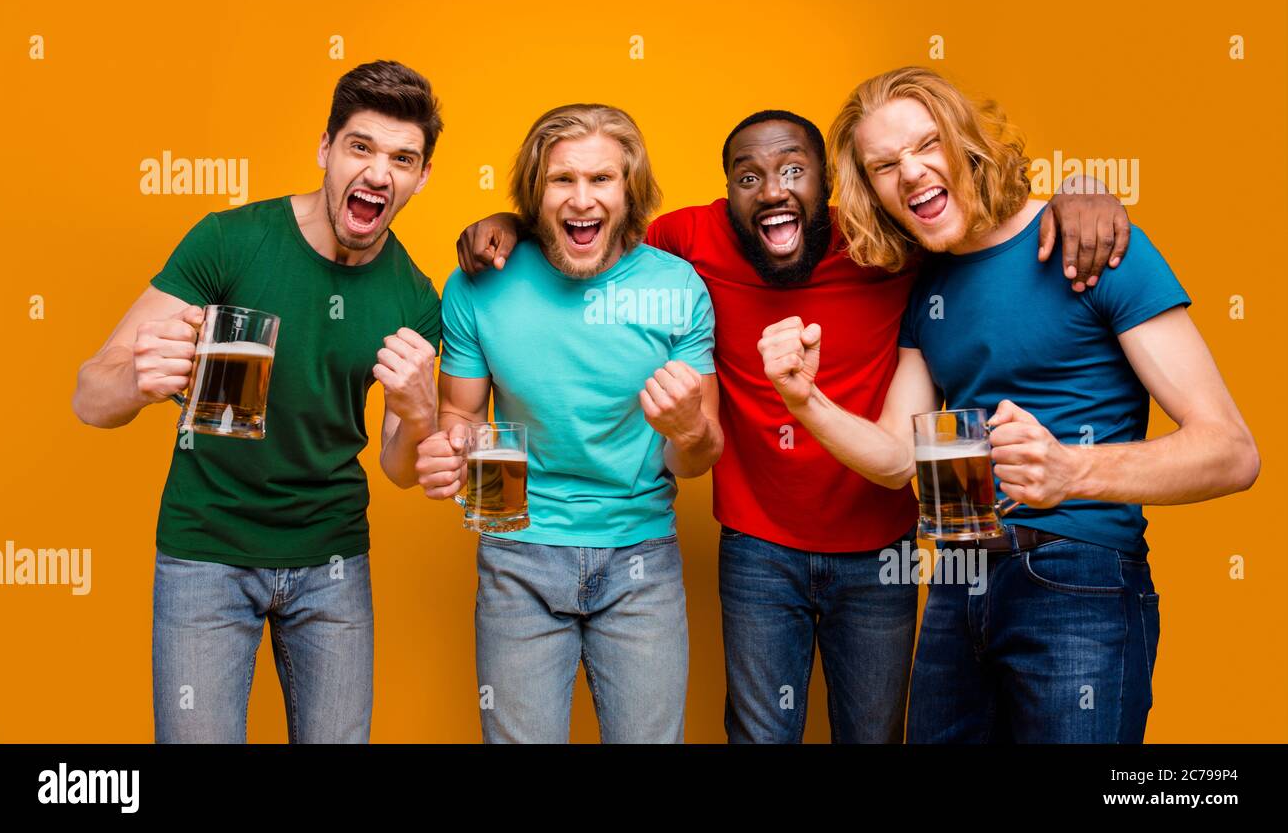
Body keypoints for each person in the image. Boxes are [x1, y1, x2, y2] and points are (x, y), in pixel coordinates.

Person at [456, 105, 1126, 742]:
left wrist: (1079, 189)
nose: (772, 189)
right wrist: (508, 225)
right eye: (748, 177)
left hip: (879, 547)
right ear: (728, 195)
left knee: (874, 734)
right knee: (758, 734)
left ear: (830, 184)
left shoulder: (885, 243)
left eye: (794, 170)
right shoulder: (689, 242)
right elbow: (588, 232)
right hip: (756, 549)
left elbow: (974, 225)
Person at [759, 65, 1259, 742]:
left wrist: (1073, 472)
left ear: (968, 143)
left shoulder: (1094, 245)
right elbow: (897, 458)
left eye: (927, 143)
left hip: (1077, 577)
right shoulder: (928, 288)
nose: (909, 172)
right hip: (959, 579)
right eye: (884, 164)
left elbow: (1232, 450)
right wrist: (804, 399)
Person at [72, 60, 445, 743]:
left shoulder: (416, 298)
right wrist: (136, 380)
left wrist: (421, 412)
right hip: (206, 552)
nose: (378, 171)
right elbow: (90, 394)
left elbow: (399, 466)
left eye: (402, 158)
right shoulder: (230, 240)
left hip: (333, 562)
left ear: (420, 178)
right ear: (325, 149)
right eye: (360, 146)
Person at [418, 103, 722, 743]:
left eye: (602, 180)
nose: (582, 199)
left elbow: (699, 454)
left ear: (628, 189)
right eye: (563, 180)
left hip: (641, 556)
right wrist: (452, 445)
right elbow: (463, 414)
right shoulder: (478, 285)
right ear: (536, 191)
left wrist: (689, 427)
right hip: (517, 553)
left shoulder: (678, 289)